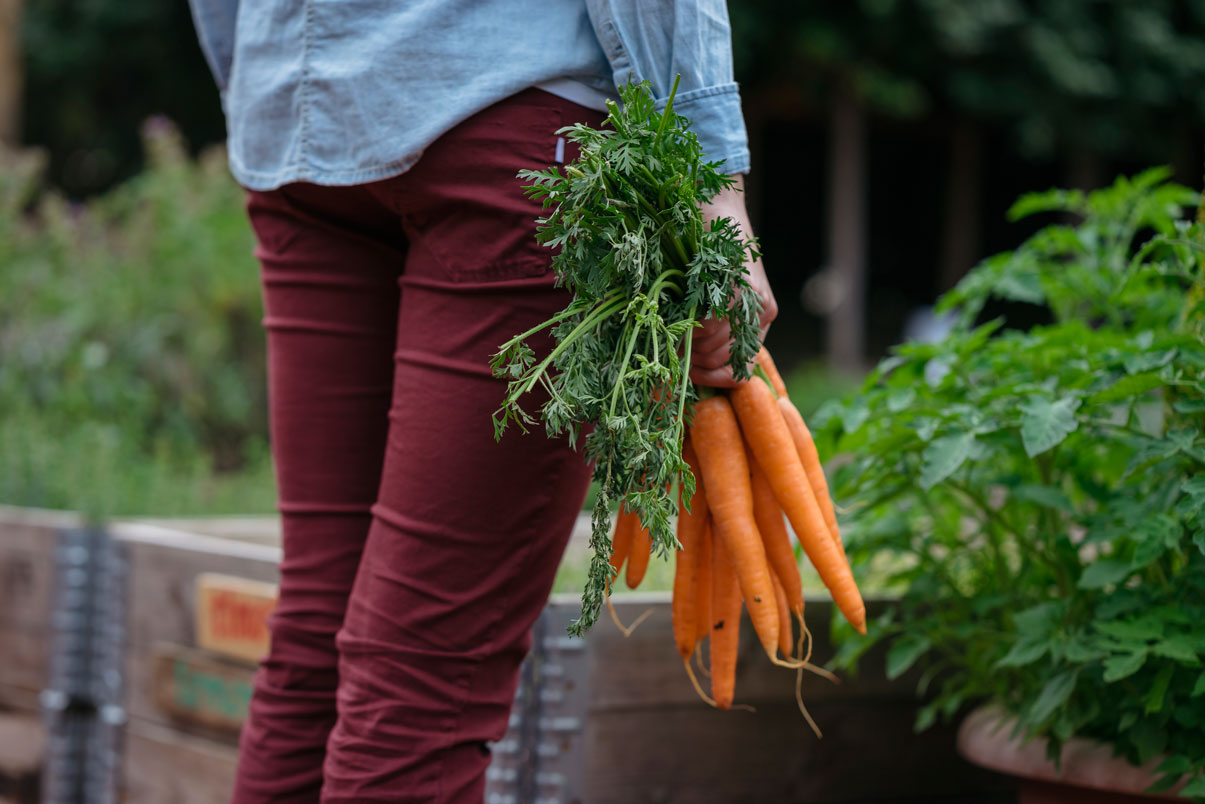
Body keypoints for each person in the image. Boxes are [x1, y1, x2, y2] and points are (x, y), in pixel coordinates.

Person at [185, 1, 777, 800]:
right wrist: (710, 179)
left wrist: (261, 81)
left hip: (302, 126)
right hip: (502, 106)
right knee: (424, 676)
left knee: (317, 640)